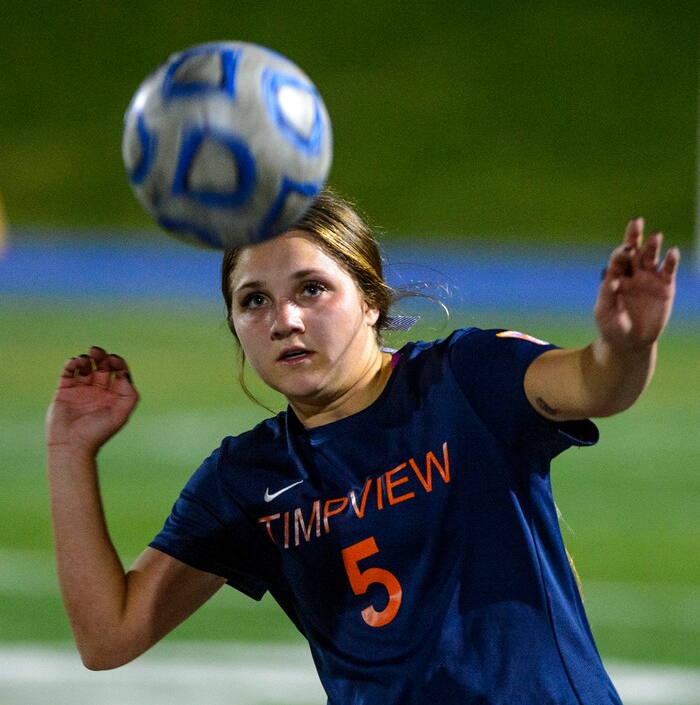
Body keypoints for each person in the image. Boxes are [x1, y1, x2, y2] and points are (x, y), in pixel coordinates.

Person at [46, 190, 679, 704]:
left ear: (370, 301)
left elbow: (598, 385)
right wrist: (70, 450)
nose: (284, 320)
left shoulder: (465, 379)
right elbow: (109, 638)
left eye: (312, 289)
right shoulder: (247, 478)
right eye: (254, 301)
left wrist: (626, 347)